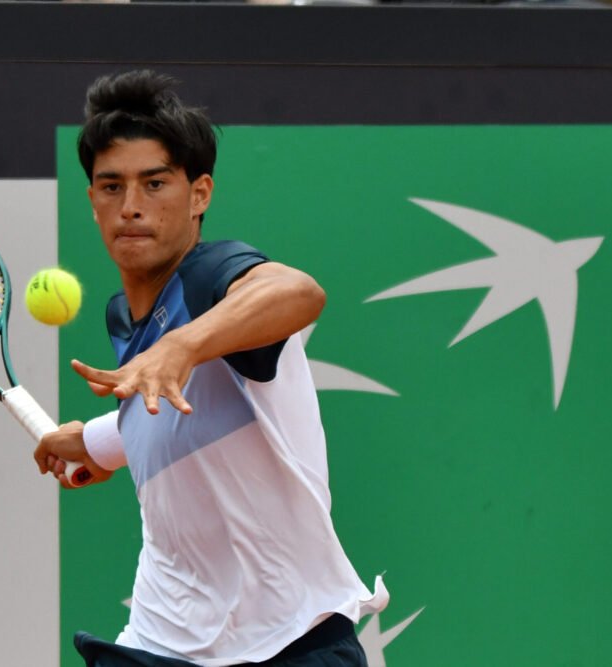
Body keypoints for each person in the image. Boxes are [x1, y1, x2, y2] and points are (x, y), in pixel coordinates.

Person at [34, 69, 387, 667]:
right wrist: (98, 442)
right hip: (164, 639)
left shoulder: (210, 277)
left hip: (287, 642)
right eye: (112, 186)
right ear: (92, 201)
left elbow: (298, 292)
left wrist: (183, 345)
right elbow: (188, 411)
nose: (131, 207)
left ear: (199, 195)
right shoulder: (124, 317)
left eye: (155, 184)